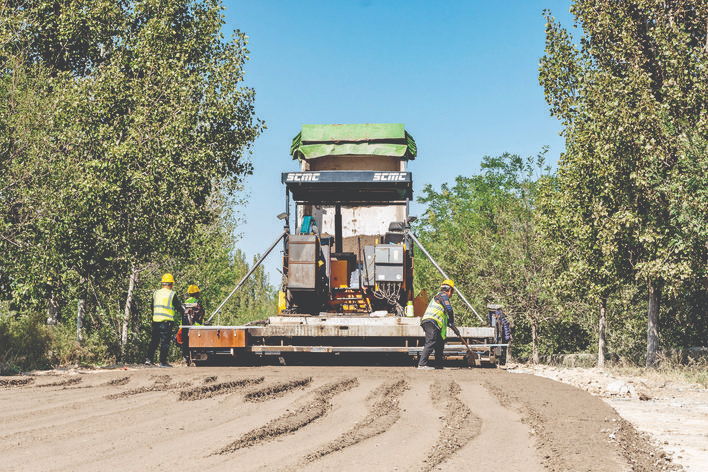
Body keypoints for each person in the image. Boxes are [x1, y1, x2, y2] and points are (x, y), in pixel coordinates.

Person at [146, 273, 184, 368]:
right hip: (166, 322)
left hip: (156, 320)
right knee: (165, 342)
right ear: (171, 284)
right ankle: (162, 362)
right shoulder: (172, 294)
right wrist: (183, 311)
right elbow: (177, 306)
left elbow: (152, 307)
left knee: (154, 341)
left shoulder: (156, 293)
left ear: (163, 283)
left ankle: (149, 359)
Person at [418, 279, 456, 370]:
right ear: (450, 290)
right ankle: (422, 365)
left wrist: (451, 324)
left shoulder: (440, 301)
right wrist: (452, 321)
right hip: (430, 322)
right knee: (431, 341)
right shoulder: (443, 295)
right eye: (452, 292)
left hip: (434, 324)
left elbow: (445, 318)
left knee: (439, 343)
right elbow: (449, 309)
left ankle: (439, 365)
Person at [180, 284, 205, 363]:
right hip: (195, 326)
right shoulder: (197, 302)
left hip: (185, 325)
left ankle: (185, 357)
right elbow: (200, 315)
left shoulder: (186, 302)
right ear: (196, 293)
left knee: (186, 342)